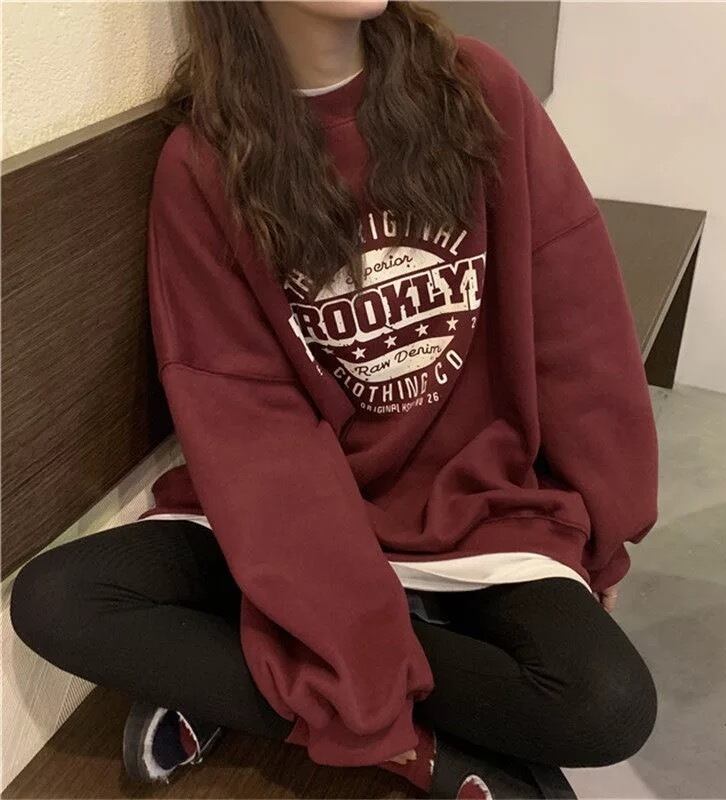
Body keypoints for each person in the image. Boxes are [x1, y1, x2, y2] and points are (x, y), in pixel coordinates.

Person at [10, 2, 659, 797]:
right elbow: (252, 427)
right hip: (298, 515)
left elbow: (576, 319)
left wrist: (607, 524)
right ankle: (411, 752)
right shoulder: (205, 164)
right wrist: (353, 647)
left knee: (606, 705)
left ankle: (245, 671)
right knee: (59, 599)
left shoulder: (478, 88)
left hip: (478, 507)